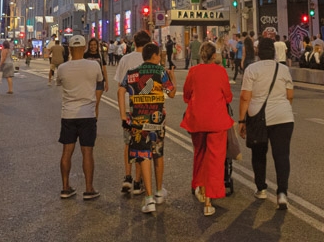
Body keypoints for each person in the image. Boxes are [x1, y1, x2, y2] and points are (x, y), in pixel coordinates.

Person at [237, 37, 294, 211]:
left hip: (258, 117)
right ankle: (282, 194)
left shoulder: (251, 69)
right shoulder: (283, 69)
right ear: (274, 52)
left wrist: (241, 120)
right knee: (282, 156)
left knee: (259, 153)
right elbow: (290, 95)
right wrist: (282, 108)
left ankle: (261, 188)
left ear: (258, 52)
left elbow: (245, 97)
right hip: (284, 117)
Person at [119, 42, 175, 214]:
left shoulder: (132, 73)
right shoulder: (161, 72)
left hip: (137, 121)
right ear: (155, 56)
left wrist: (123, 116)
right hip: (157, 121)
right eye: (159, 55)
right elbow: (171, 93)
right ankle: (159, 192)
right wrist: (172, 77)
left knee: (144, 156)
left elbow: (121, 91)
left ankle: (149, 198)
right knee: (157, 153)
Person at [182, 41, 234, 217]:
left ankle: (198, 185)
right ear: (214, 56)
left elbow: (187, 94)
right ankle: (209, 200)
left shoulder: (193, 71)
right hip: (216, 121)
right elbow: (227, 96)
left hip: (197, 120)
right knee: (215, 159)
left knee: (200, 153)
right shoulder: (220, 72)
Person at [56, 35, 104, 201]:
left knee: (67, 151)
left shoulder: (62, 68)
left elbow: (59, 83)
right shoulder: (94, 65)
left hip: (68, 114)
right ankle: (89, 189)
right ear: (84, 48)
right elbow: (100, 82)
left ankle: (65, 187)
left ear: (69, 49)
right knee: (87, 152)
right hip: (88, 114)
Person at [114, 30, 151, 195]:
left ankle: (127, 178)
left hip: (129, 107)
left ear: (134, 43)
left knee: (128, 143)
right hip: (146, 108)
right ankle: (138, 182)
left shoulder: (125, 59)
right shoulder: (151, 59)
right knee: (142, 144)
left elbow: (120, 87)